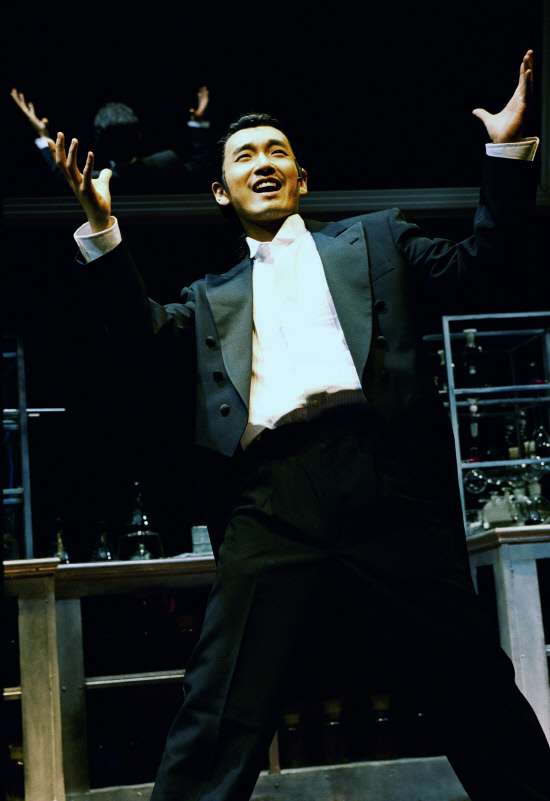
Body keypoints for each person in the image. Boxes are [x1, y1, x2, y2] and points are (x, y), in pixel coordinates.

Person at [53, 50, 550, 801]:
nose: (263, 163)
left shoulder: (377, 239)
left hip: (383, 479)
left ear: (302, 178)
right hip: (269, 500)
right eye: (245, 155)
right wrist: (101, 227)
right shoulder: (209, 298)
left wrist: (507, 155)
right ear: (220, 191)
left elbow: (481, 267)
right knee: (217, 706)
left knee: (472, 680)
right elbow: (141, 340)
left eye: (277, 151)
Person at [10, 85, 212, 193]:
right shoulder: (168, 163)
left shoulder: (96, 181)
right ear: (139, 135)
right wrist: (198, 123)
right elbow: (202, 165)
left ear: (99, 143)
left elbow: (63, 176)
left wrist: (43, 135)